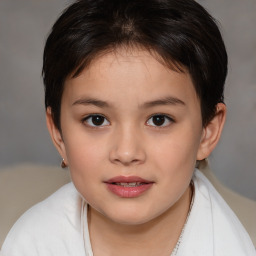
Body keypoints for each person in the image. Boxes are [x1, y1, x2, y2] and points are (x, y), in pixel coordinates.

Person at [1, 0, 255, 255]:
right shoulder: (28, 244)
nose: (126, 152)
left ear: (207, 131)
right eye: (96, 120)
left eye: (159, 119)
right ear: (58, 133)